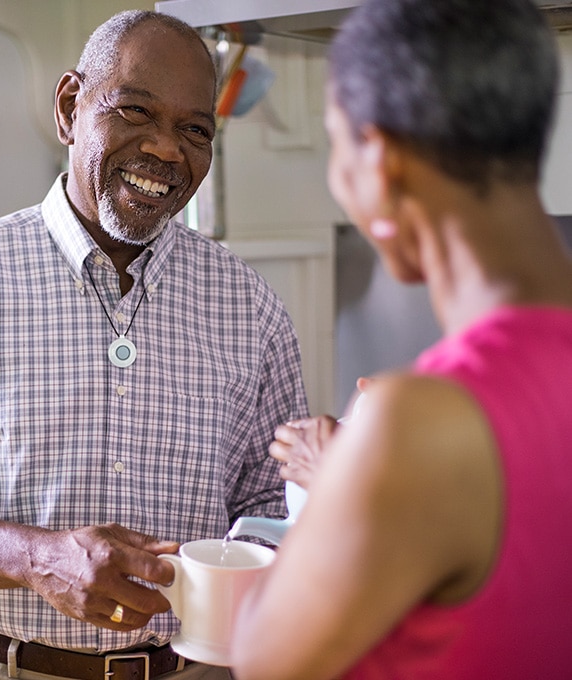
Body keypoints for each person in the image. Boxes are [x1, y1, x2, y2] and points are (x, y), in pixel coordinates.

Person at [0, 10, 308, 680]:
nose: (166, 150)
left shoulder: (250, 309)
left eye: (195, 129)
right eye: (135, 111)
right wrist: (38, 558)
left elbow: (272, 505)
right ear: (72, 107)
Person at [230, 1, 572, 678]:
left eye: (338, 145)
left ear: (382, 163)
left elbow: (263, 659)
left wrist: (345, 484)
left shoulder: (416, 427)